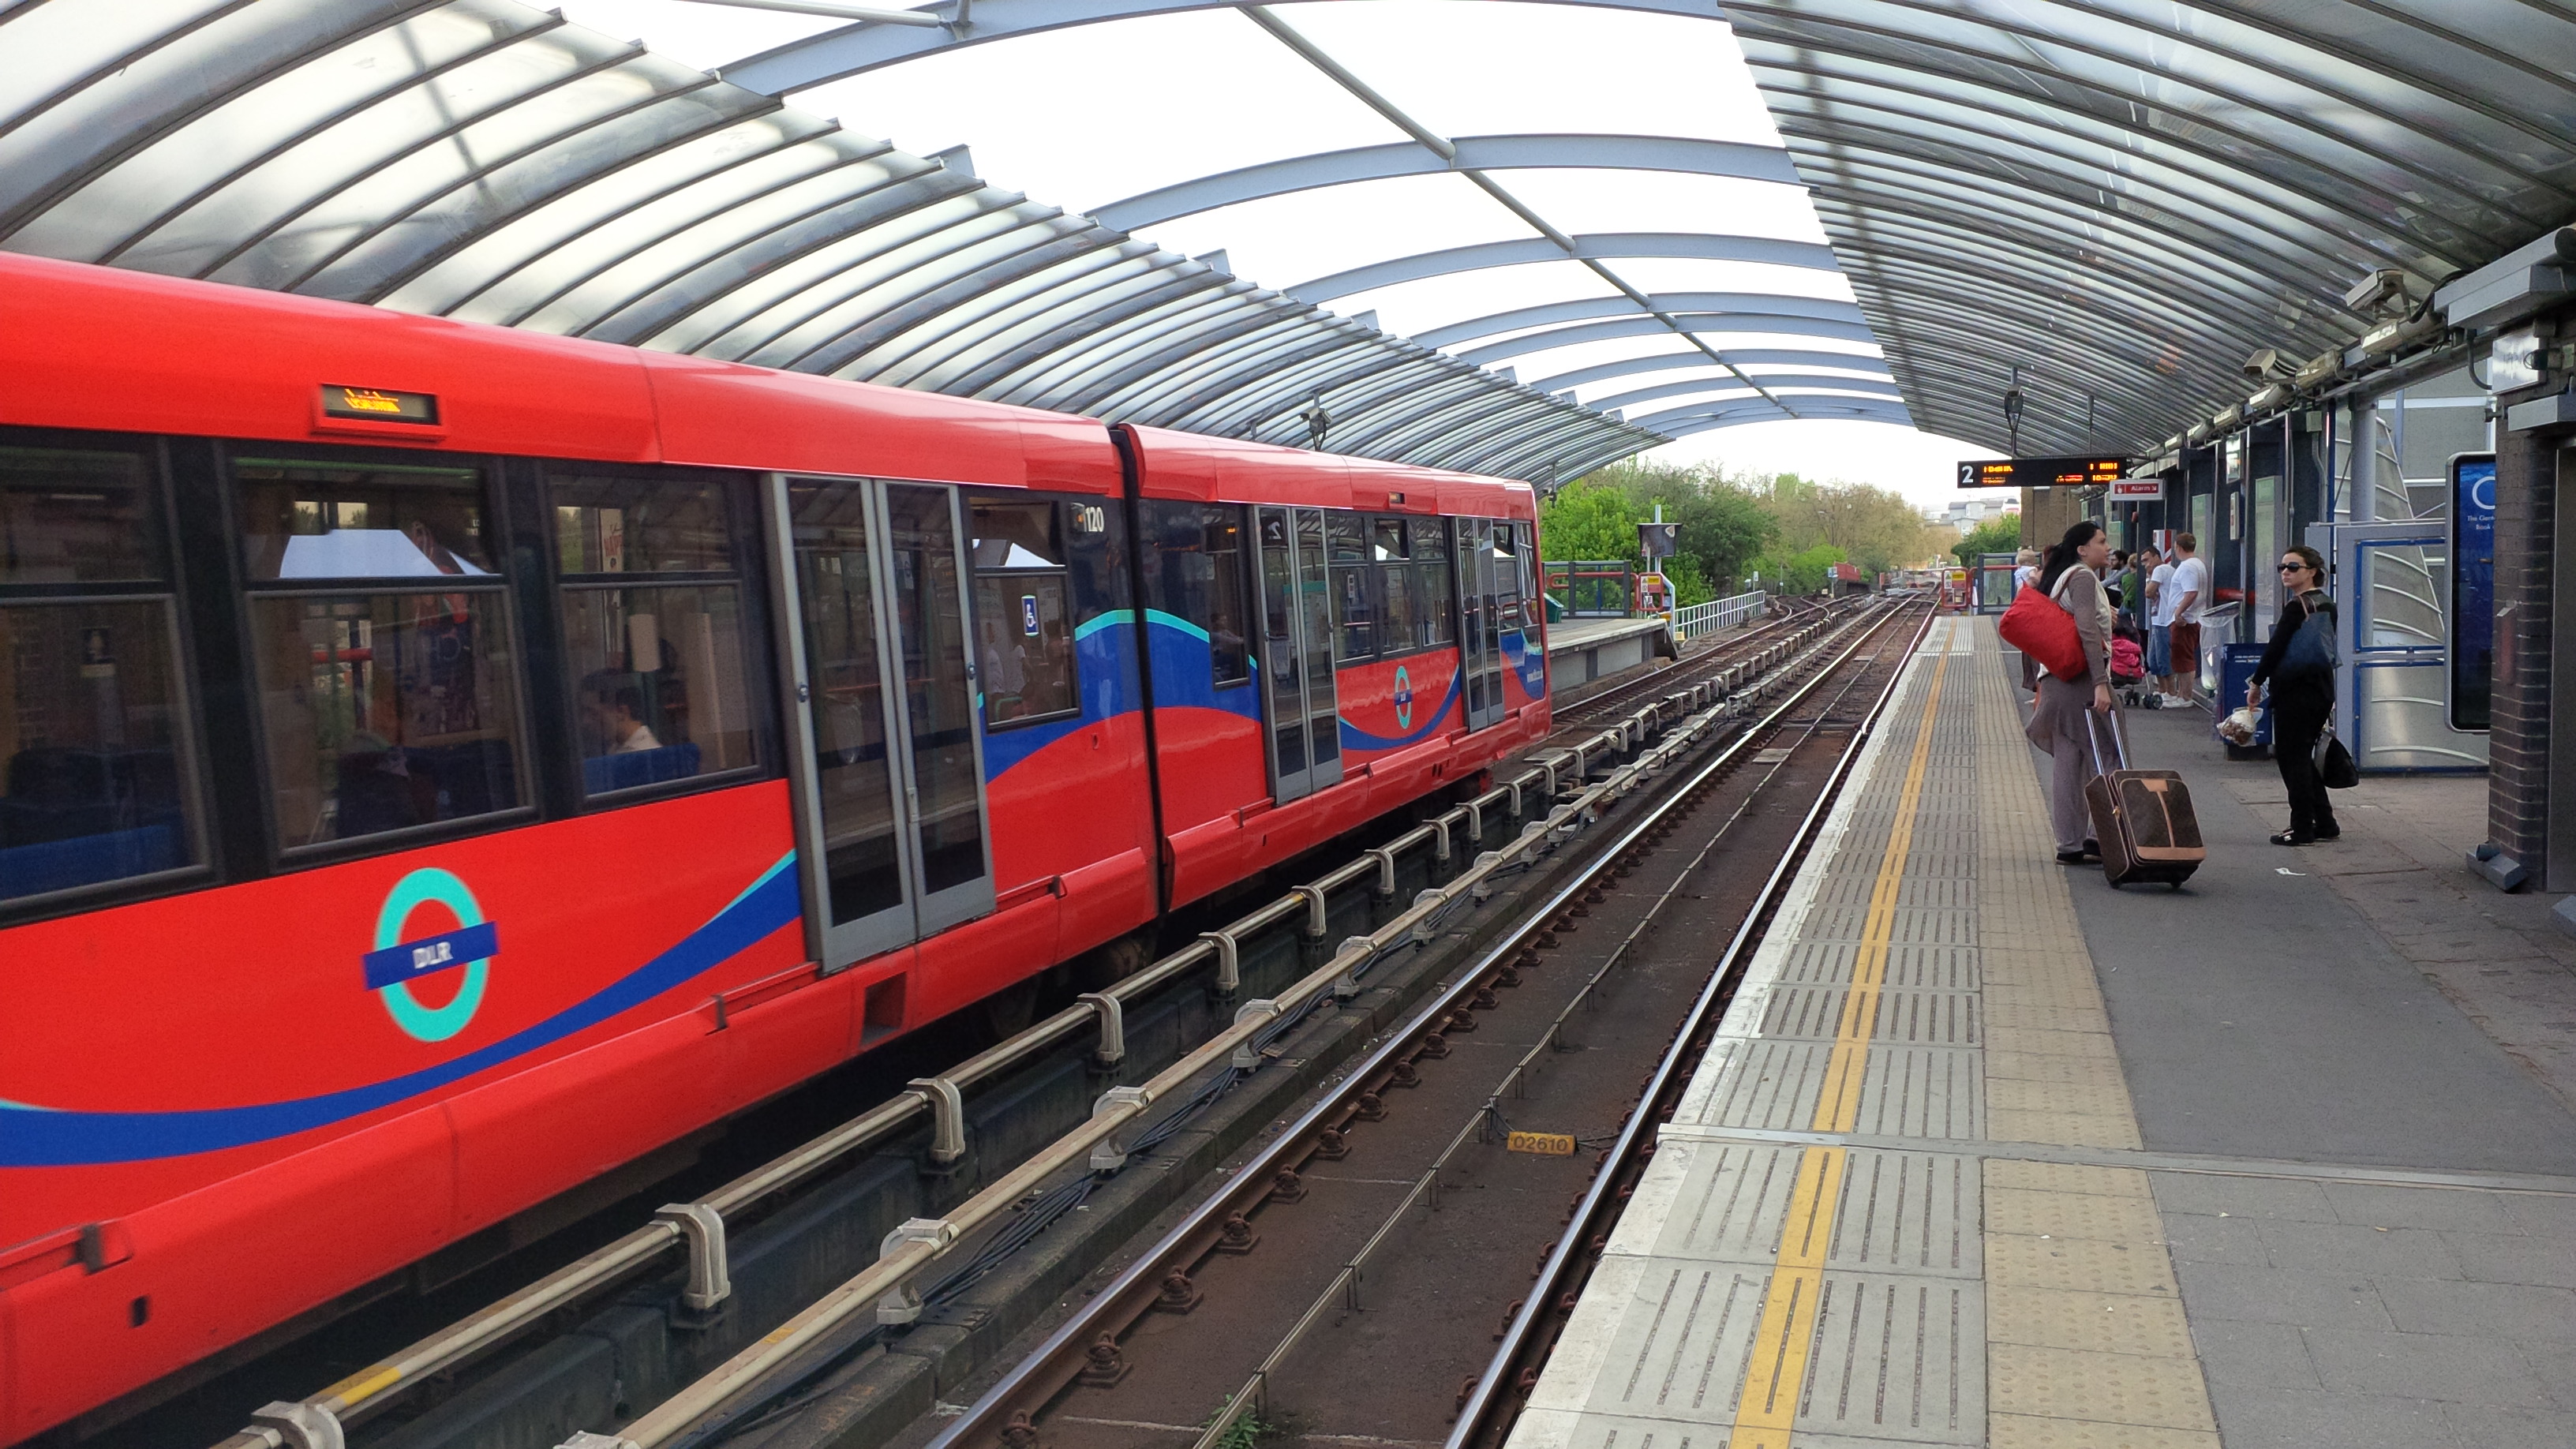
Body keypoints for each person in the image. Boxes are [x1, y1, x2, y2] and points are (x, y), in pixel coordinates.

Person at [2024, 521, 2118, 864]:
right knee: (2110, 755)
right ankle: (2104, 836)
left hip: (2055, 681)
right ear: (2082, 549)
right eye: (2102, 541)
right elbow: (2086, 631)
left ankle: (2070, 844)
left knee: (2069, 761)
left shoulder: (2060, 578)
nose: (2107, 548)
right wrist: (2099, 683)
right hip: (2081, 681)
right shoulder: (2081, 577)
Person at [2247, 546, 2340, 845]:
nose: (2286, 572)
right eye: (2282, 567)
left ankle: (2301, 828)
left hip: (2295, 691)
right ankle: (2325, 822)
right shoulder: (2326, 603)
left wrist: (2256, 682)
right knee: (2302, 756)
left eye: (2293, 567)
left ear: (2312, 571)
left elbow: (2275, 649)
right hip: (2321, 689)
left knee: (2292, 760)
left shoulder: (2296, 607)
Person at [2159, 534, 2207, 705]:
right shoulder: (2197, 564)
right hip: (2193, 617)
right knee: (2181, 657)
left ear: (2178, 547)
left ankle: (2186, 696)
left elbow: (2191, 592)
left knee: (2183, 658)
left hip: (2186, 619)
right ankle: (2181, 694)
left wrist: (2178, 612)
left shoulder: (2187, 567)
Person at [2012, 547, 2045, 694]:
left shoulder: (2020, 571)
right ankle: (2038, 687)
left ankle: (2036, 687)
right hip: (2029, 605)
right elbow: (2034, 580)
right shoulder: (2032, 570)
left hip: (2023, 604)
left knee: (2030, 651)